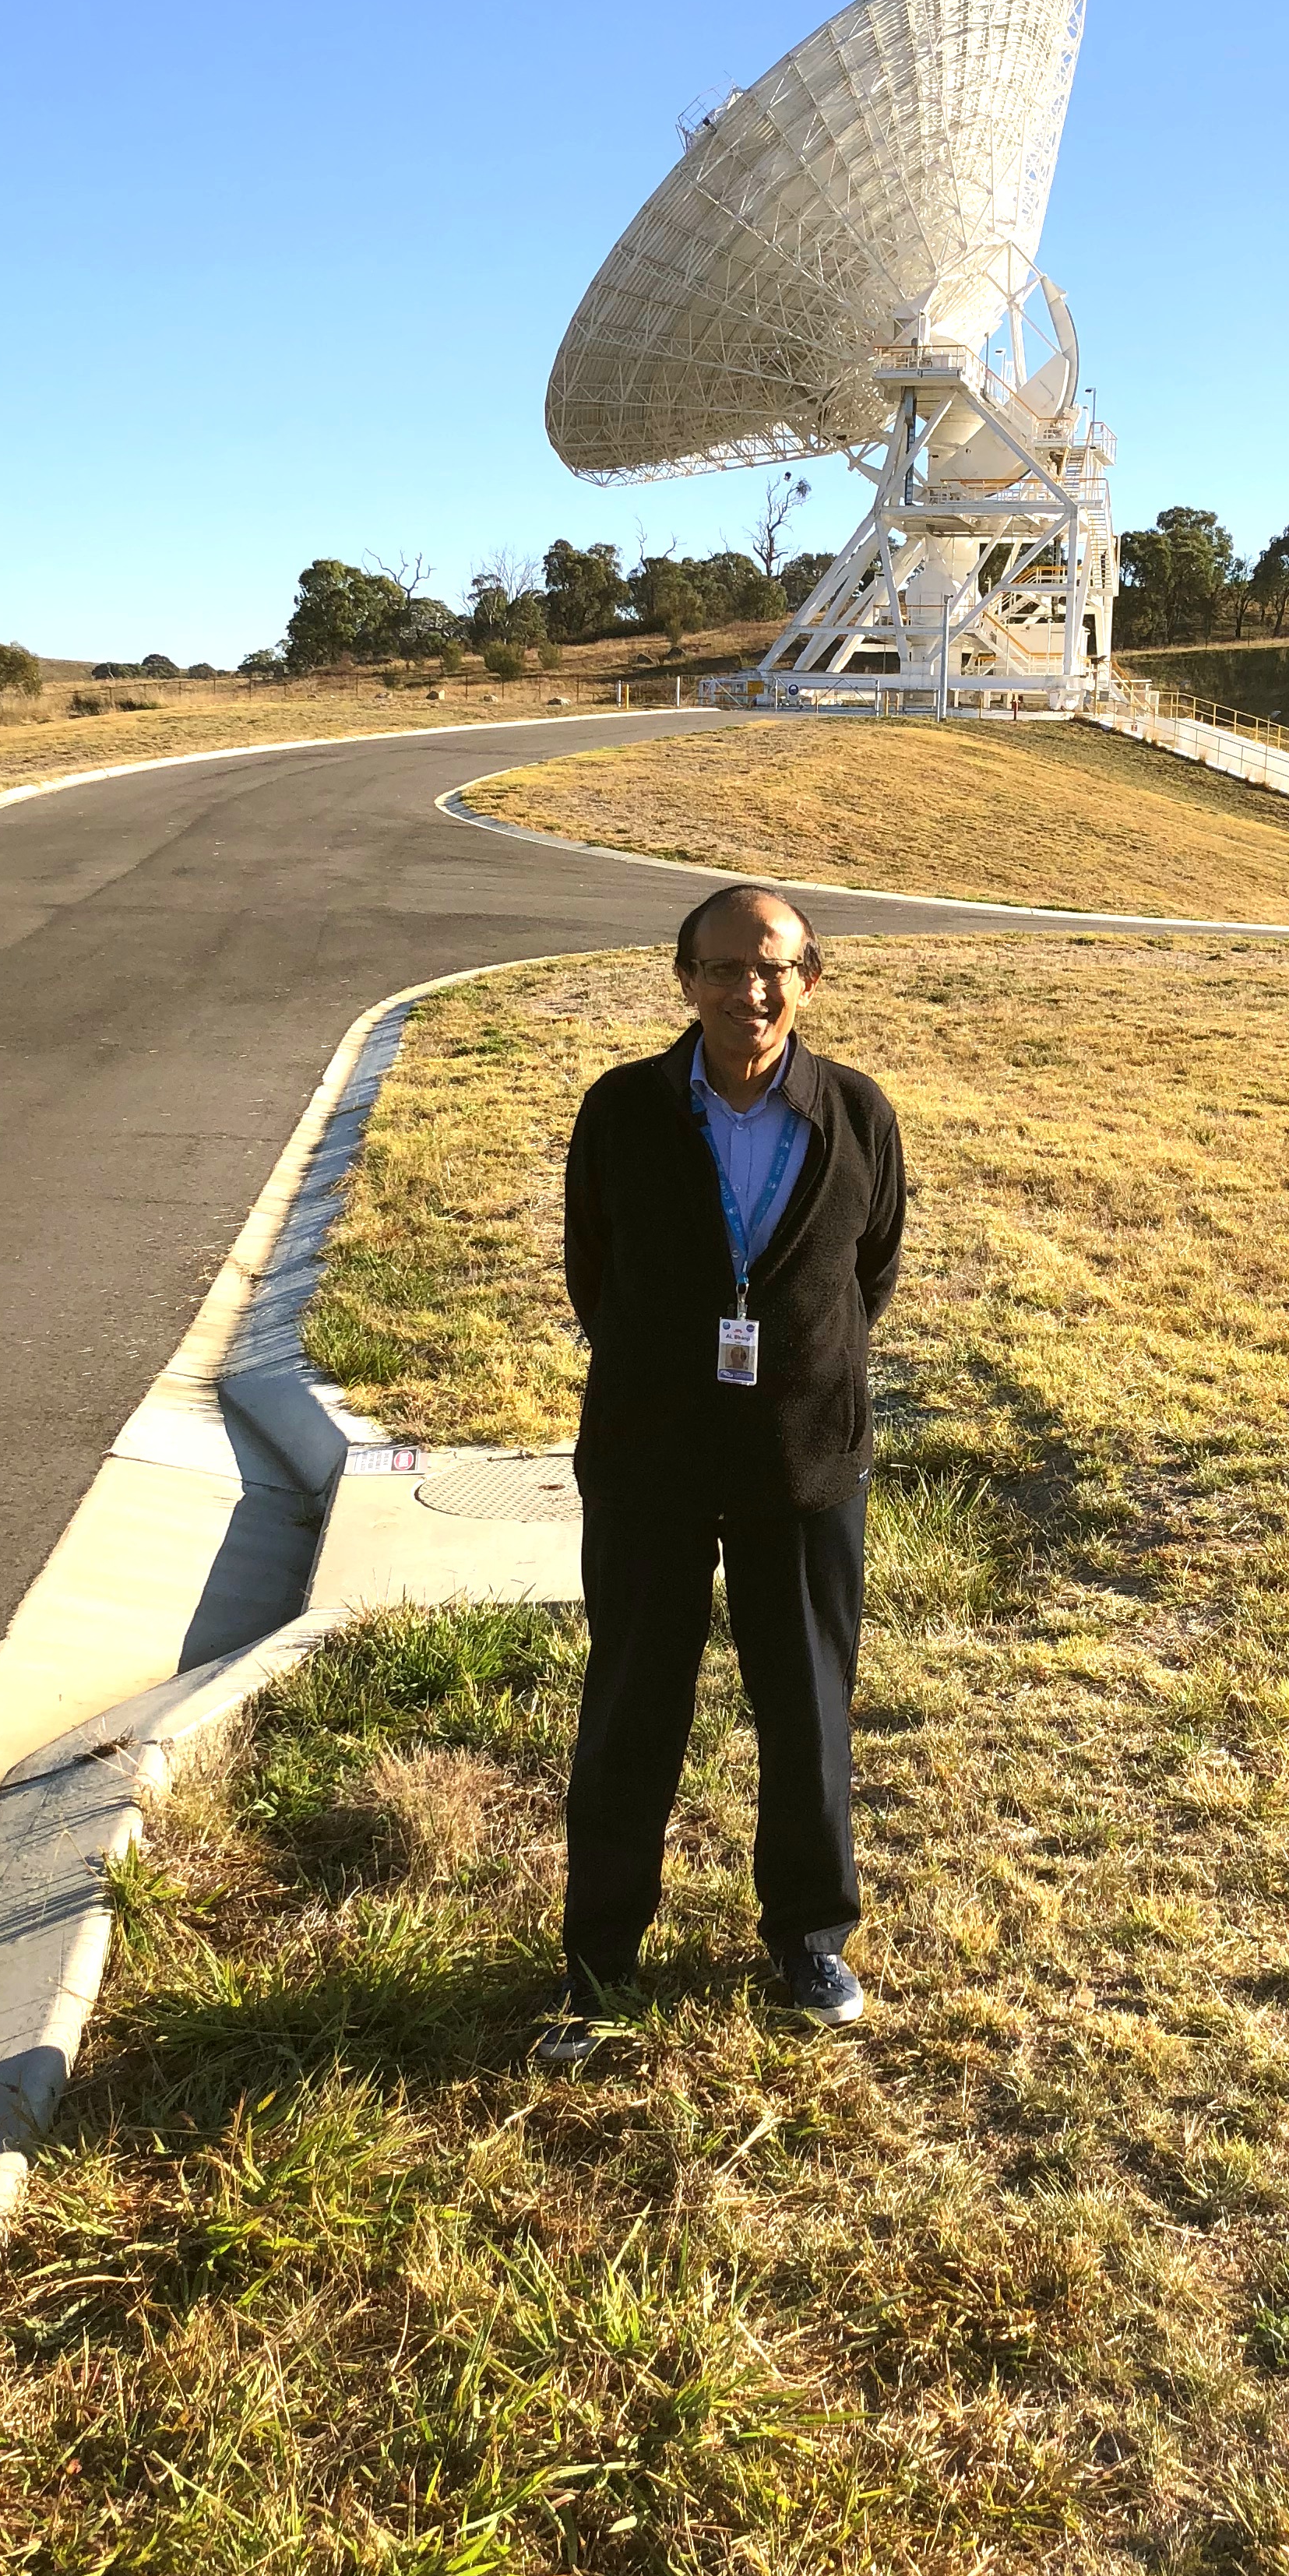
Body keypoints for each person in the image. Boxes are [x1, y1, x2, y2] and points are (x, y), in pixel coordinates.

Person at [541, 883, 907, 2064]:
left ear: (810, 979)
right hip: (649, 1460)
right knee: (630, 1710)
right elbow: (592, 1270)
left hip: (801, 1467)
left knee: (804, 1712)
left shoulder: (855, 1114)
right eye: (722, 966)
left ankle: (808, 1939)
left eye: (772, 967)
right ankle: (600, 1961)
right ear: (683, 976)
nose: (747, 989)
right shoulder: (623, 1109)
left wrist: (800, 1376)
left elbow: (871, 1274)